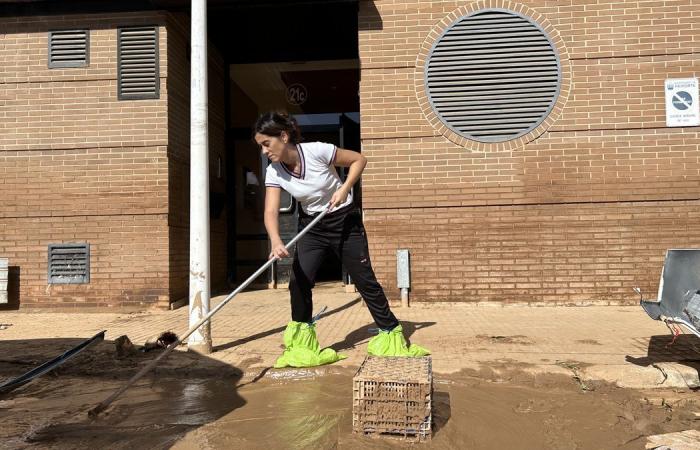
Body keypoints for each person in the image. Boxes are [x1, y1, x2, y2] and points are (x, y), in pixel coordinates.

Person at [254, 111, 429, 368]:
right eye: (260, 146)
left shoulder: (316, 151)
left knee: (364, 280)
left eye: (266, 144)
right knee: (298, 281)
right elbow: (270, 211)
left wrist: (344, 188)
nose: (263, 151)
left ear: (283, 136)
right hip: (312, 227)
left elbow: (359, 159)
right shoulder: (274, 172)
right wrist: (276, 241)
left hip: (344, 221)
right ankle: (303, 346)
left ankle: (391, 334)